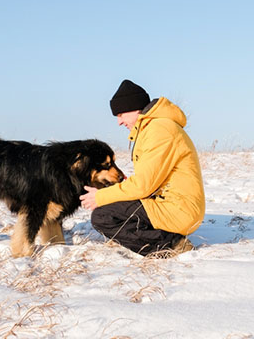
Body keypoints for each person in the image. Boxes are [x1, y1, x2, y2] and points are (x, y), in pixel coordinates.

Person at [79, 79, 205, 257]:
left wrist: (100, 196)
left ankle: (173, 245)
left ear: (135, 108)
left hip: (178, 209)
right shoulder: (152, 128)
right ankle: (162, 237)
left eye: (121, 114)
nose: (119, 122)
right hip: (168, 204)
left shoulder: (159, 130)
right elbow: (150, 181)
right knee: (114, 205)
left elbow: (143, 185)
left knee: (103, 216)